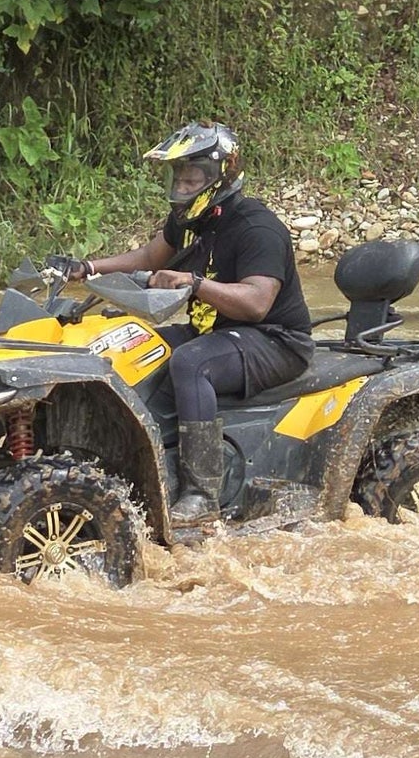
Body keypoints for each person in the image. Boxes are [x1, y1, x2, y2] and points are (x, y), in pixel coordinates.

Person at [47, 121, 314, 524]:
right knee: (130, 342)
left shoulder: (257, 228)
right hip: (215, 329)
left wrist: (194, 282)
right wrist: (86, 267)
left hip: (274, 340)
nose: (183, 185)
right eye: (180, 176)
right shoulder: (192, 219)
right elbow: (149, 257)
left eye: (193, 177)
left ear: (218, 176)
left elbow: (258, 303)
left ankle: (201, 493)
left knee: (191, 363)